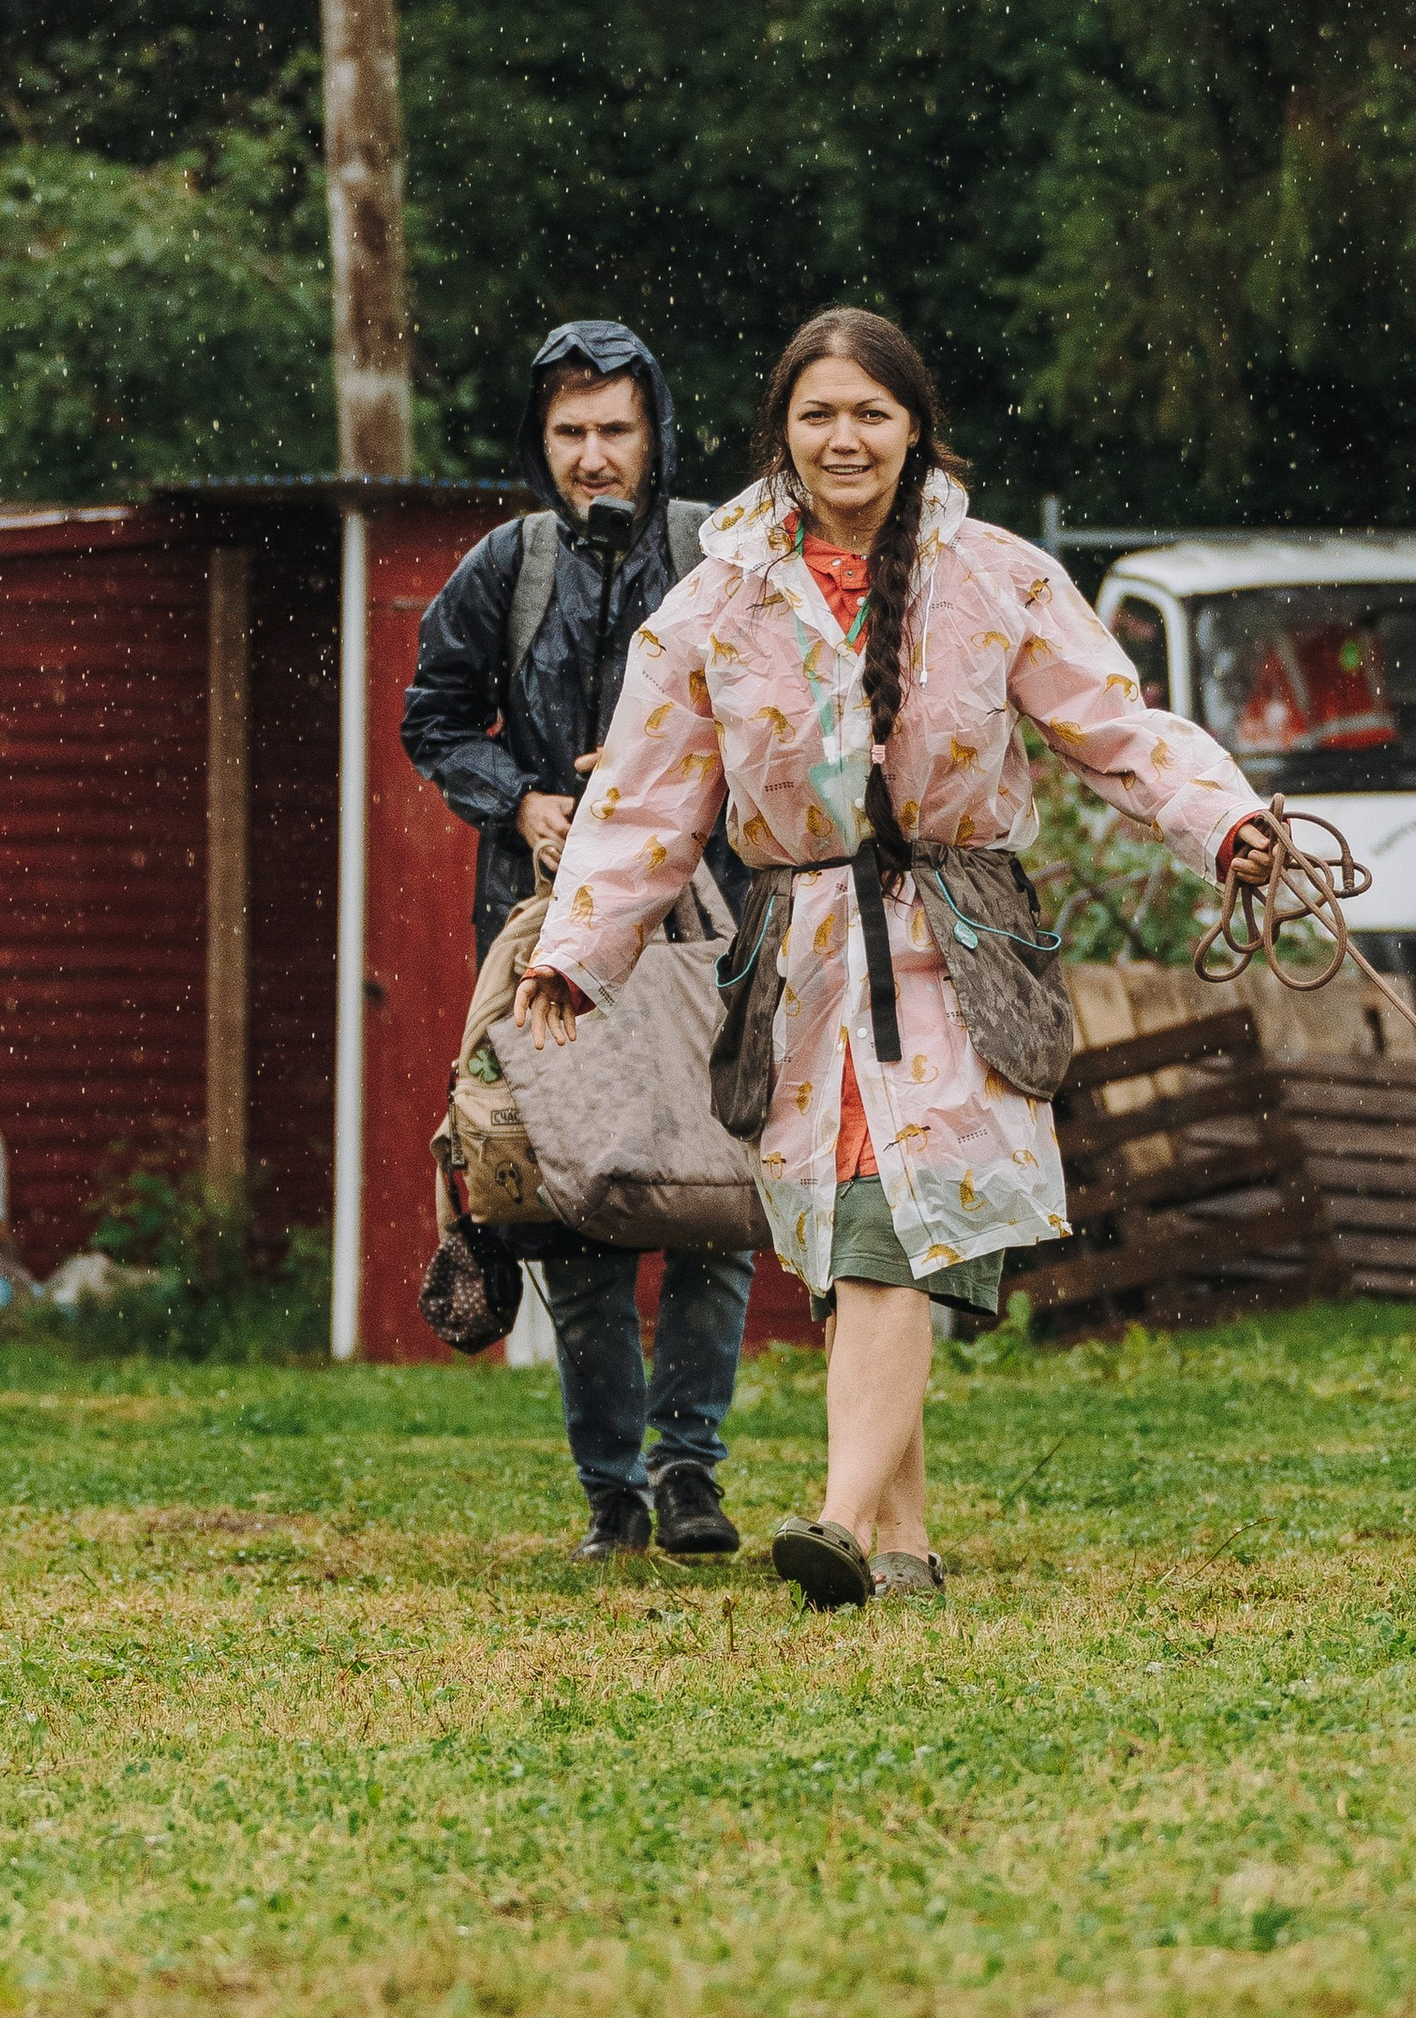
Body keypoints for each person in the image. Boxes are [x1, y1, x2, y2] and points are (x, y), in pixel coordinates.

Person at [515, 303, 1279, 1613]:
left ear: (915, 426)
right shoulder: (716, 599)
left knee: (889, 1221)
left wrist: (1226, 820)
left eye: (871, 411)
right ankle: (908, 1545)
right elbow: (646, 797)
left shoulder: (995, 575)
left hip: (957, 940)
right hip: (802, 954)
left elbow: (1120, 729)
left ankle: (836, 1516)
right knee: (860, 1237)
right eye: (817, 412)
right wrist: (576, 947)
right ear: (781, 431)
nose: (845, 437)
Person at [400, 319, 755, 1564]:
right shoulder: (508, 565)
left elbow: (784, 707)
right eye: (569, 432)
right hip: (542, 928)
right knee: (568, 1208)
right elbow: (434, 717)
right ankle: (612, 1494)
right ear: (539, 442)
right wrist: (521, 799)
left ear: (655, 433)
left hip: (712, 925)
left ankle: (689, 1473)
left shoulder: (721, 554)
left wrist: (680, 768)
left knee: (719, 1199)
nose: (592, 454)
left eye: (614, 428)